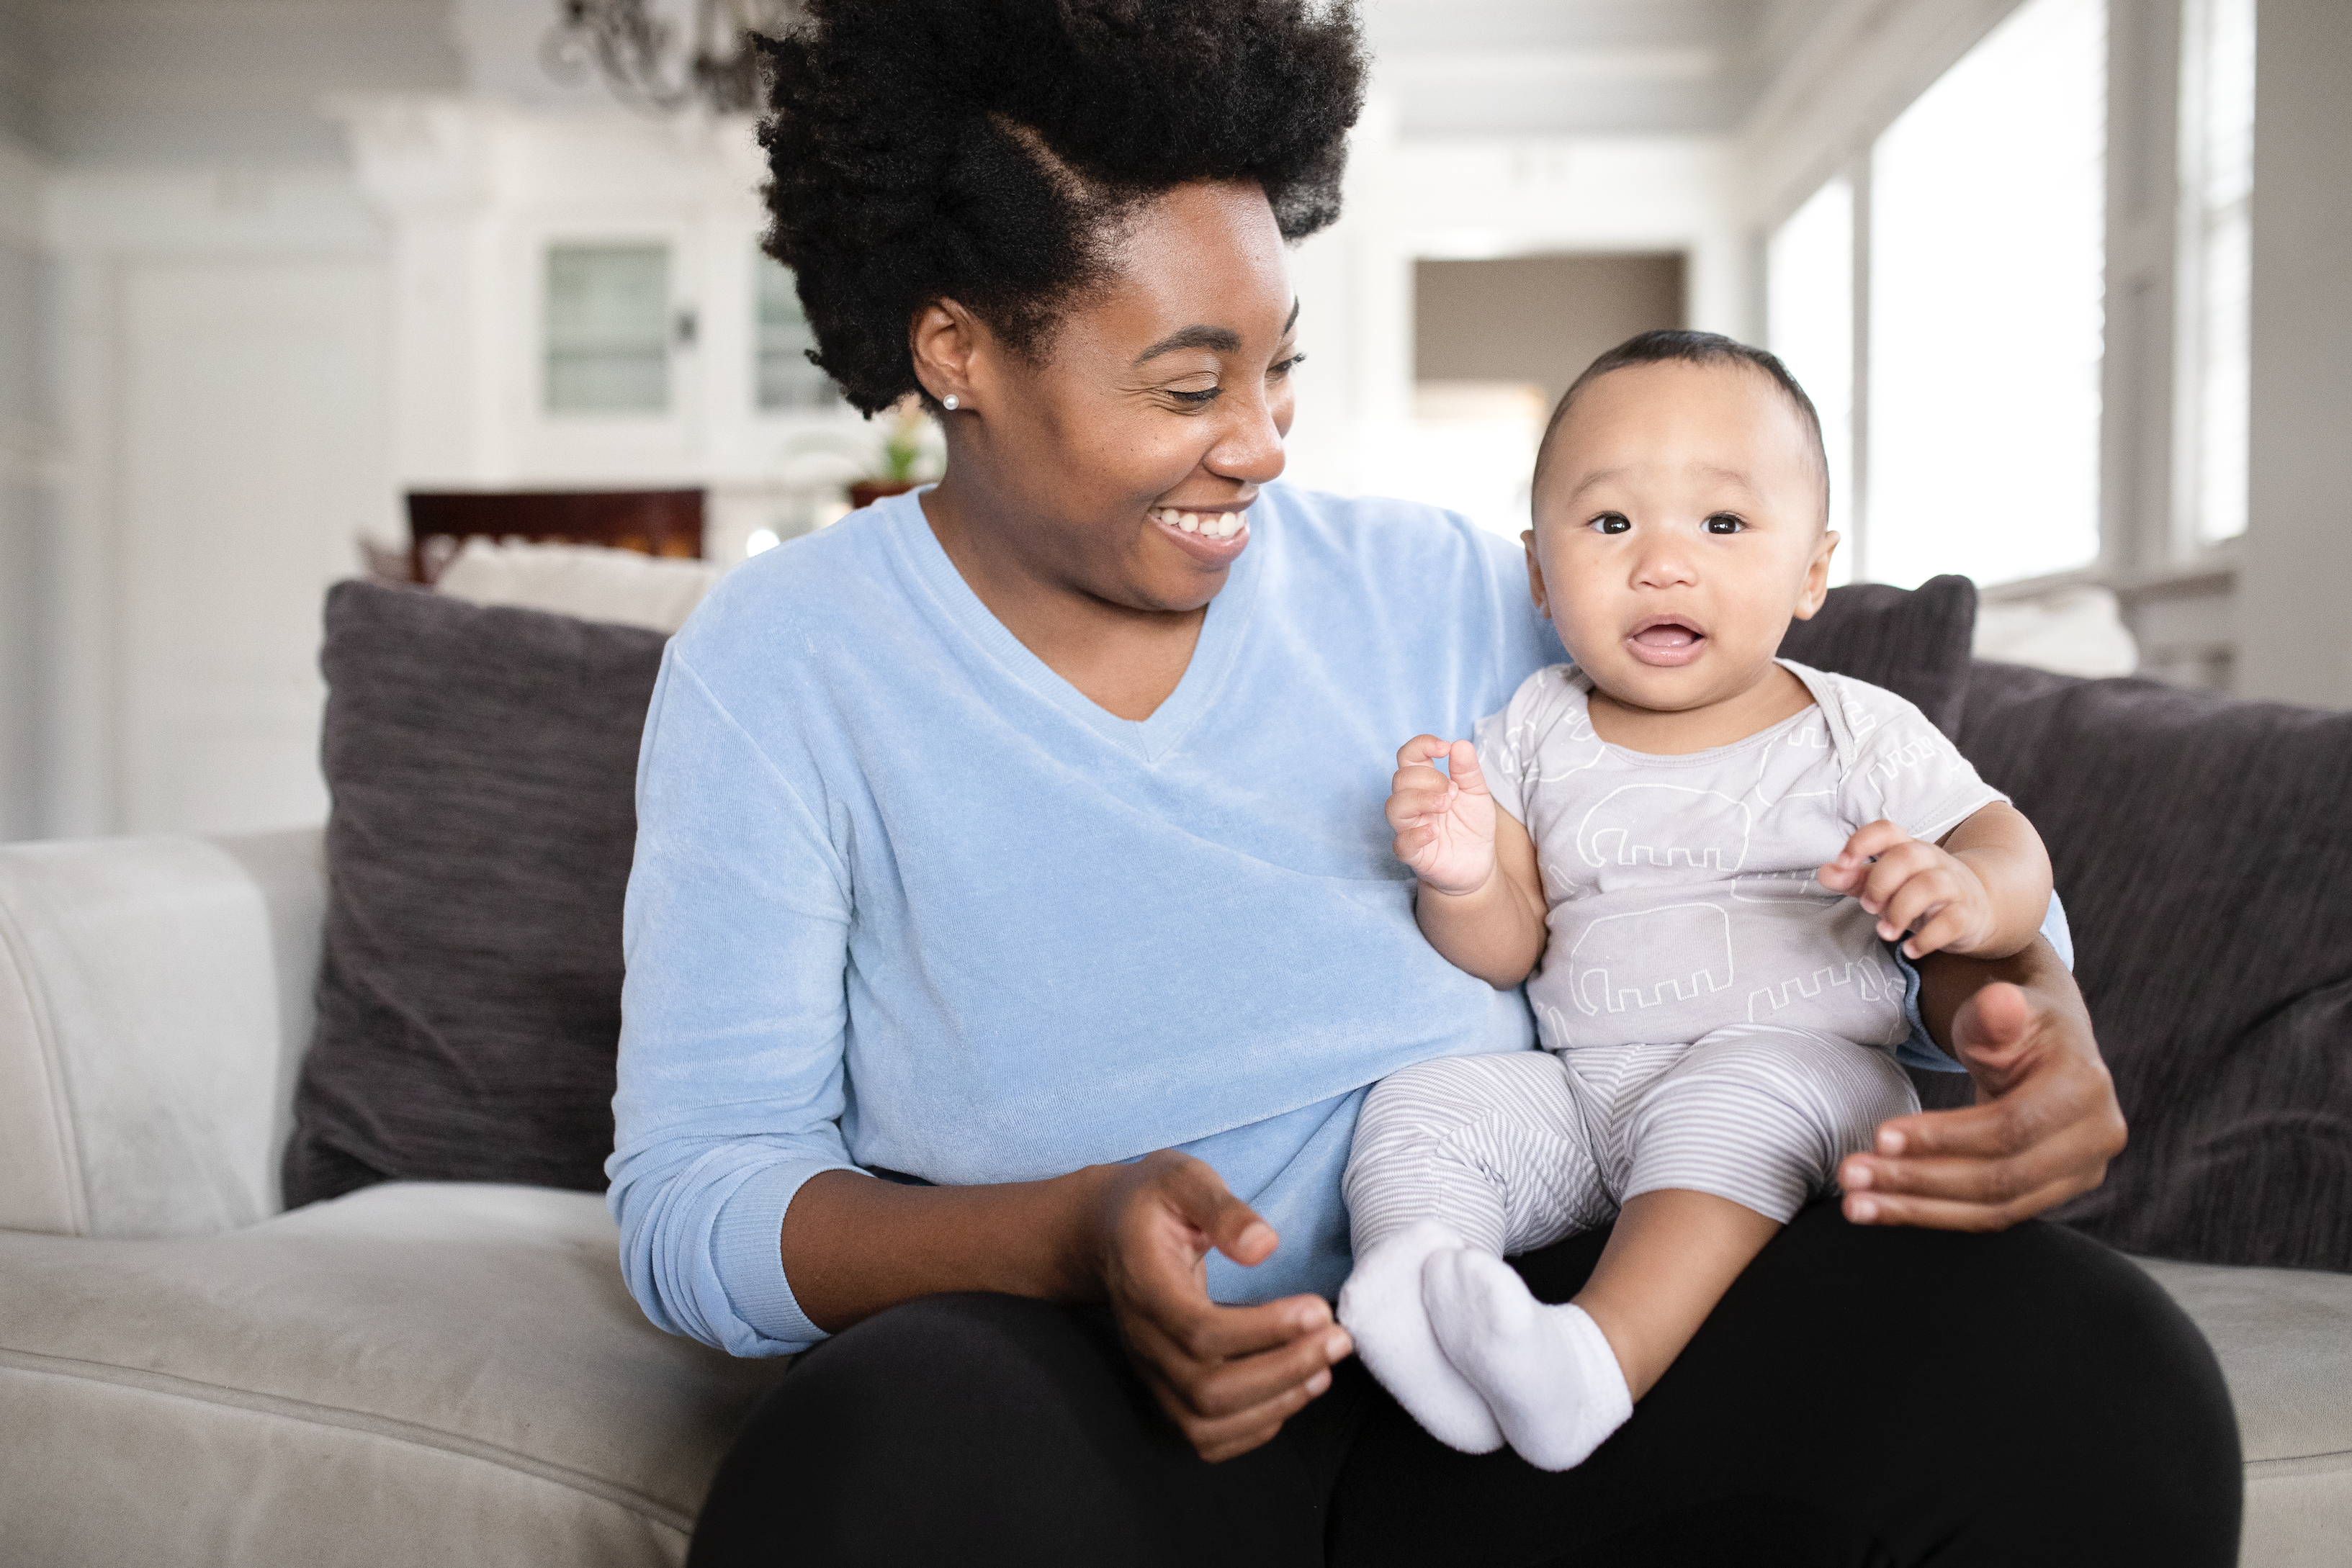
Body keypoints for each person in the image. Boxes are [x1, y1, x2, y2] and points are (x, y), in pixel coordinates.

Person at [608, 2, 2240, 1563]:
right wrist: (1068, 1234)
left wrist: (2025, 1004)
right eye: (1188, 388)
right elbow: (701, 1200)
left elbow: (1818, 831)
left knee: (2094, 1378)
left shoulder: (1461, 592)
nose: (1260, 443)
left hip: (1524, 1331)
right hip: (1075, 1374)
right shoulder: (784, 665)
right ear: (957, 350)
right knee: (867, 1473)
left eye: (1278, 369)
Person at [1336, 330, 2057, 1472]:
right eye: (1610, 524)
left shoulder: (1850, 727)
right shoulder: (1530, 728)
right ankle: (1424, 1308)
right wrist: (1462, 871)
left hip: (1808, 1080)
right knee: (1427, 1104)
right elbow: (1508, 946)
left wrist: (1969, 889)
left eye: (1722, 525)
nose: (1662, 563)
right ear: (1538, 572)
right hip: (1592, 1095)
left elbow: (2005, 841)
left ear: (1812, 570)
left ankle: (1594, 1362)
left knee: (1737, 1088)